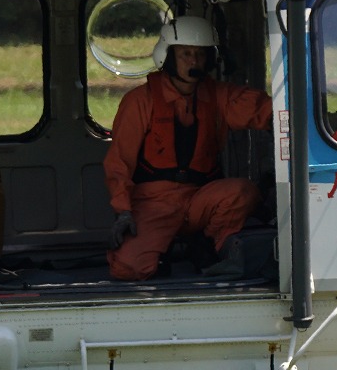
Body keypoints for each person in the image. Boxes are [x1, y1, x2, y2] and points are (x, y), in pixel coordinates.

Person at [104, 15, 273, 281]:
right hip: (154, 203)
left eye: (199, 54)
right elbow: (118, 163)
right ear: (168, 55)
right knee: (128, 268)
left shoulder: (218, 96)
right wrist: (123, 211)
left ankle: (208, 244)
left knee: (242, 191)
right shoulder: (140, 101)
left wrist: (297, 117)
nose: (193, 61)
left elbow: (265, 110)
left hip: (201, 198)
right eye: (185, 54)